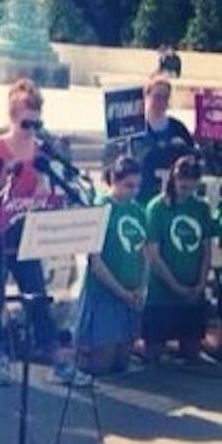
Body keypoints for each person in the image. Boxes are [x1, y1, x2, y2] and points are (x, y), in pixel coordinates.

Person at [0, 79, 90, 386]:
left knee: (37, 298)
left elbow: (50, 187)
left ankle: (58, 362)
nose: (31, 128)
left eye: (37, 122)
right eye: (26, 122)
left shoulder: (40, 151)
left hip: (25, 235)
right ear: (12, 116)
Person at [75, 157, 148, 375]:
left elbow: (145, 253)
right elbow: (95, 262)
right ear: (114, 181)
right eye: (128, 185)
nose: (134, 191)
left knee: (121, 364)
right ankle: (71, 361)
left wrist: (141, 287)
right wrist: (121, 291)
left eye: (137, 186)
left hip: (130, 293)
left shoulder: (138, 211)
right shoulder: (101, 209)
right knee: (102, 364)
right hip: (104, 294)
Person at [144, 155, 213, 361]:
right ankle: (135, 346)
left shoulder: (201, 208)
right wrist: (175, 286)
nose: (187, 192)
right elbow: (153, 255)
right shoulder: (157, 207)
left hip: (193, 289)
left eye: (192, 187)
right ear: (173, 180)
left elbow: (206, 249)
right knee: (154, 354)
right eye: (183, 187)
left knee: (192, 353)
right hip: (162, 293)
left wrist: (200, 283)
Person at [133, 74, 194, 204]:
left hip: (172, 197)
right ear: (147, 96)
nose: (161, 102)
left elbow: (191, 158)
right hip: (143, 195)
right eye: (157, 96)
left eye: (165, 98)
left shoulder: (178, 128)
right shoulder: (134, 129)